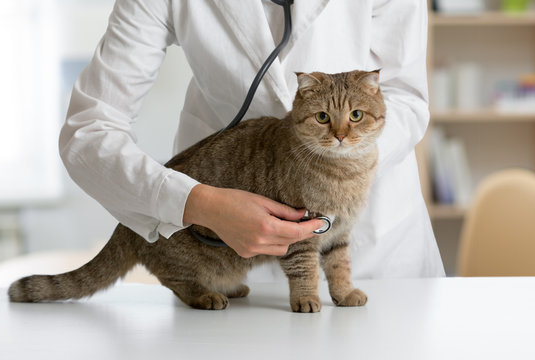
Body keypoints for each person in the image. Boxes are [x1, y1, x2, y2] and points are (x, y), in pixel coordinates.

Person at [59, 0, 446, 279]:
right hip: (226, 254)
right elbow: (89, 130)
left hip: (377, 252)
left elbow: (406, 97)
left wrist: (338, 162)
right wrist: (198, 203)